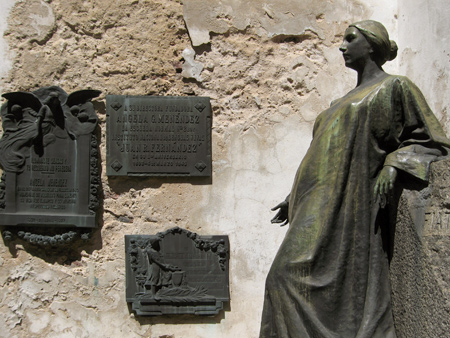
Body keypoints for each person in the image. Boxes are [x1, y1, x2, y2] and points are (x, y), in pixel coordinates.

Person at [260, 20, 450, 338]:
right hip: (314, 200)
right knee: (282, 278)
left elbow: (434, 142)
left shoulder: (395, 88)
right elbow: (319, 155)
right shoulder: (337, 104)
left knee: (285, 275)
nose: (342, 46)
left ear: (372, 45)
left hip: (348, 202)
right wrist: (294, 194)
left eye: (350, 39)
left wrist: (395, 163)